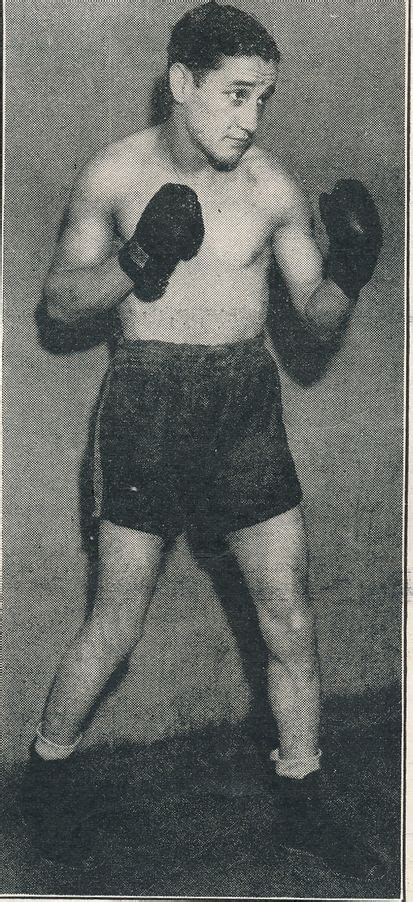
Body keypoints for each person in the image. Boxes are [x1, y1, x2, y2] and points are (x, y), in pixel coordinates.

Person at [23, 0, 383, 876]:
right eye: (235, 94)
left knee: (288, 613)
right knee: (116, 620)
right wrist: (138, 260)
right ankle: (44, 779)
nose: (250, 119)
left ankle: (301, 796)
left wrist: (347, 273)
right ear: (183, 82)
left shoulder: (271, 188)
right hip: (145, 402)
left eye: (263, 98)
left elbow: (315, 319)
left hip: (244, 402)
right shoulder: (114, 174)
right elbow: (59, 306)